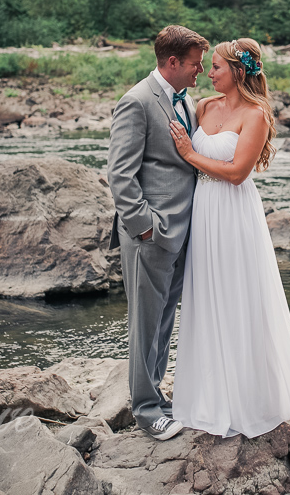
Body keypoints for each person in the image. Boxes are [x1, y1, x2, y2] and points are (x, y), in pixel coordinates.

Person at [169, 38, 290, 438]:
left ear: (237, 71)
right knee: (205, 297)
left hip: (234, 213)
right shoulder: (203, 108)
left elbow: (236, 173)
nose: (208, 72)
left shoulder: (256, 115)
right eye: (209, 66)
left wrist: (188, 152)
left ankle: (249, 401)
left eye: (215, 67)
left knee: (238, 298)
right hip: (203, 211)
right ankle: (207, 397)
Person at [107, 25, 209, 441]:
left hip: (180, 233)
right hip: (152, 235)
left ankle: (158, 398)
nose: (199, 71)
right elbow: (120, 175)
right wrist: (145, 228)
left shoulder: (182, 101)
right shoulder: (136, 102)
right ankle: (146, 411)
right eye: (195, 64)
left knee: (165, 322)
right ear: (172, 63)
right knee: (146, 325)